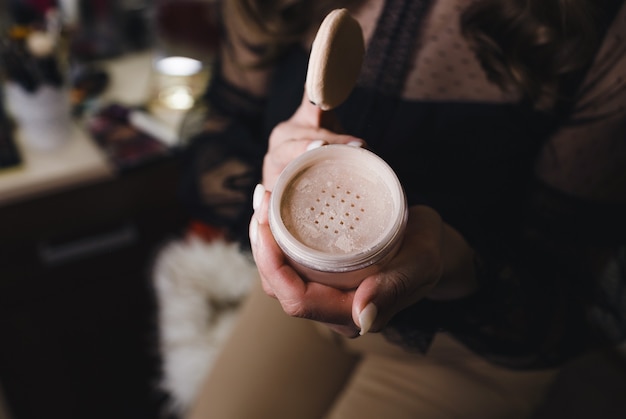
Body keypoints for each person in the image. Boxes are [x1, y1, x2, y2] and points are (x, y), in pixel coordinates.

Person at [179, 0, 626, 417]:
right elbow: (222, 135)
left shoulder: (596, 29)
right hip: (296, 297)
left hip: (472, 345)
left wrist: (450, 263)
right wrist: (274, 172)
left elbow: (562, 292)